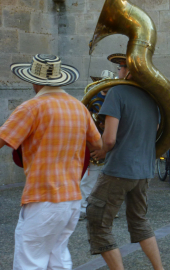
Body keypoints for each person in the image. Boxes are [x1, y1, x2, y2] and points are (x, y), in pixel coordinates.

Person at [0, 54, 102, 269]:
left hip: (43, 195)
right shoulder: (79, 108)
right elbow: (97, 144)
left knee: (29, 260)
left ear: (34, 80)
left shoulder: (31, 107)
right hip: (72, 198)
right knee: (58, 257)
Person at [85, 53, 164, 270]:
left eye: (120, 68)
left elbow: (109, 139)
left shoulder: (116, 93)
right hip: (144, 170)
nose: (118, 72)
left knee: (98, 221)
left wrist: (100, 152)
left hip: (119, 168)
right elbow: (155, 130)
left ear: (129, 71)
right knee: (139, 222)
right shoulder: (153, 97)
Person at [79, 69, 115, 220]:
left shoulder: (114, 97)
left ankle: (105, 208)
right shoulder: (94, 95)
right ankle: (83, 208)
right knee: (89, 178)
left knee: (108, 179)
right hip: (95, 141)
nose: (102, 85)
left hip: (109, 140)